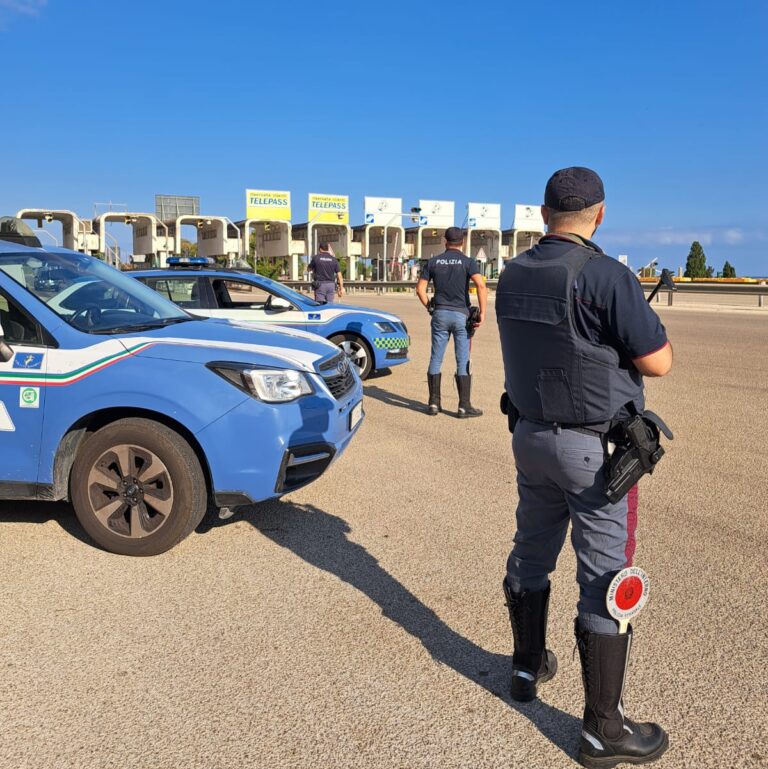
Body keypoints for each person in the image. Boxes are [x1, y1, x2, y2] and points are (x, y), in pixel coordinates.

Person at [496, 168, 673, 767]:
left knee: (531, 550)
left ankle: (525, 666)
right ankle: (602, 730)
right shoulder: (606, 275)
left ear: (543, 214)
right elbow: (659, 362)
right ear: (600, 214)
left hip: (529, 434)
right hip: (591, 451)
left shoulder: (512, 272)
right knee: (604, 579)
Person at [416, 227, 488, 418]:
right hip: (461, 316)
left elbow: (420, 290)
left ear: (445, 241)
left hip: (439, 314)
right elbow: (481, 286)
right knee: (462, 359)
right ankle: (464, 406)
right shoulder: (468, 262)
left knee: (436, 358)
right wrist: (482, 313)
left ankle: (433, 403)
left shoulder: (433, 262)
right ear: (462, 242)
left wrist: (429, 307)